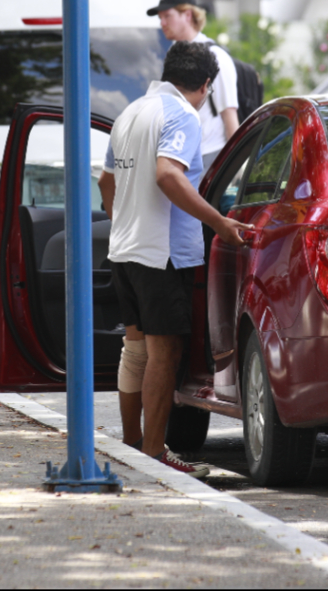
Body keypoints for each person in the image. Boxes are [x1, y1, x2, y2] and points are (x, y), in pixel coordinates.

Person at [97, 41, 252, 478]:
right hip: (161, 254)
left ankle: (131, 444)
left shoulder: (131, 111)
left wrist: (123, 215)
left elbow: (106, 181)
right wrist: (220, 222)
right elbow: (168, 174)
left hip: (124, 248)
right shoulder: (182, 113)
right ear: (205, 85)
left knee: (136, 351)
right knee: (165, 354)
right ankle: (154, 454)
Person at [147, 0, 240, 168]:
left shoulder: (215, 56)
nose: (162, 23)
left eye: (168, 15)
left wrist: (233, 170)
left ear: (188, 15)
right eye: (160, 18)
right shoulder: (173, 57)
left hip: (210, 156)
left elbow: (229, 117)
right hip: (181, 155)